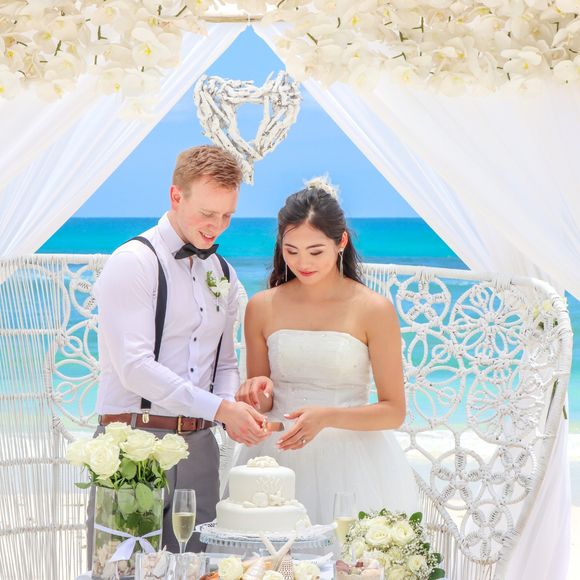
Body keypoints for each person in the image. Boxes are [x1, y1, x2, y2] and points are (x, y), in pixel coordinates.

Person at [89, 145, 268, 559]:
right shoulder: (133, 261)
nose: (217, 227)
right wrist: (221, 410)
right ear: (176, 196)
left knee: (196, 567)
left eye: (227, 216)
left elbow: (224, 362)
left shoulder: (223, 272)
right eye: (207, 213)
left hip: (200, 449)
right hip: (134, 444)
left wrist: (229, 407)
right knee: (121, 570)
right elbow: (135, 368)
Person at [234, 178, 418, 524]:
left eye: (316, 251)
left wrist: (327, 417)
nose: (303, 262)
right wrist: (256, 391)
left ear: (341, 242)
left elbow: (393, 411)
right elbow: (265, 403)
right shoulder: (261, 306)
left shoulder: (373, 309)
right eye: (291, 251)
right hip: (278, 458)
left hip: (352, 462)